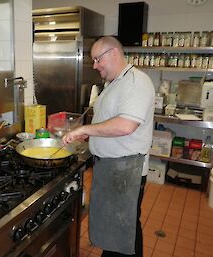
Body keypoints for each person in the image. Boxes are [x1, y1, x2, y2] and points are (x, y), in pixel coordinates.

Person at [62, 36, 155, 257]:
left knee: (122, 228)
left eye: (97, 59)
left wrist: (84, 130)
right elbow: (109, 120)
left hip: (125, 171)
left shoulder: (136, 82)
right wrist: (92, 136)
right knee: (122, 228)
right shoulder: (115, 83)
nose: (94, 66)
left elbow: (125, 126)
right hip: (113, 169)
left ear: (113, 53)